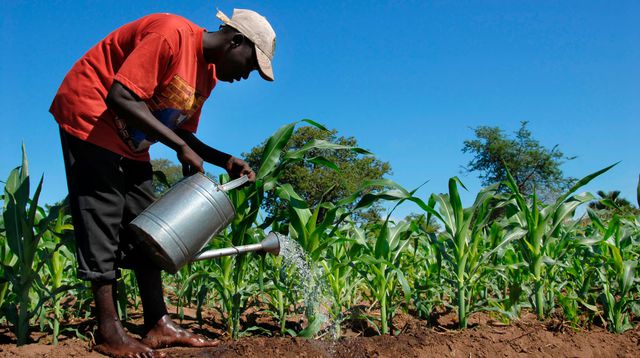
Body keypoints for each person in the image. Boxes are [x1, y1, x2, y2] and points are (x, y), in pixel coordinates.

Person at [49, 8, 276, 358]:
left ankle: (158, 324)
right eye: (250, 65)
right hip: (92, 115)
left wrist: (224, 160)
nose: (247, 75)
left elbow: (181, 130)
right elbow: (120, 97)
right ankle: (109, 329)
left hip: (132, 140)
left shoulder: (207, 78)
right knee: (103, 217)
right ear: (235, 41)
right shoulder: (171, 34)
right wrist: (179, 147)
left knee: (148, 224)